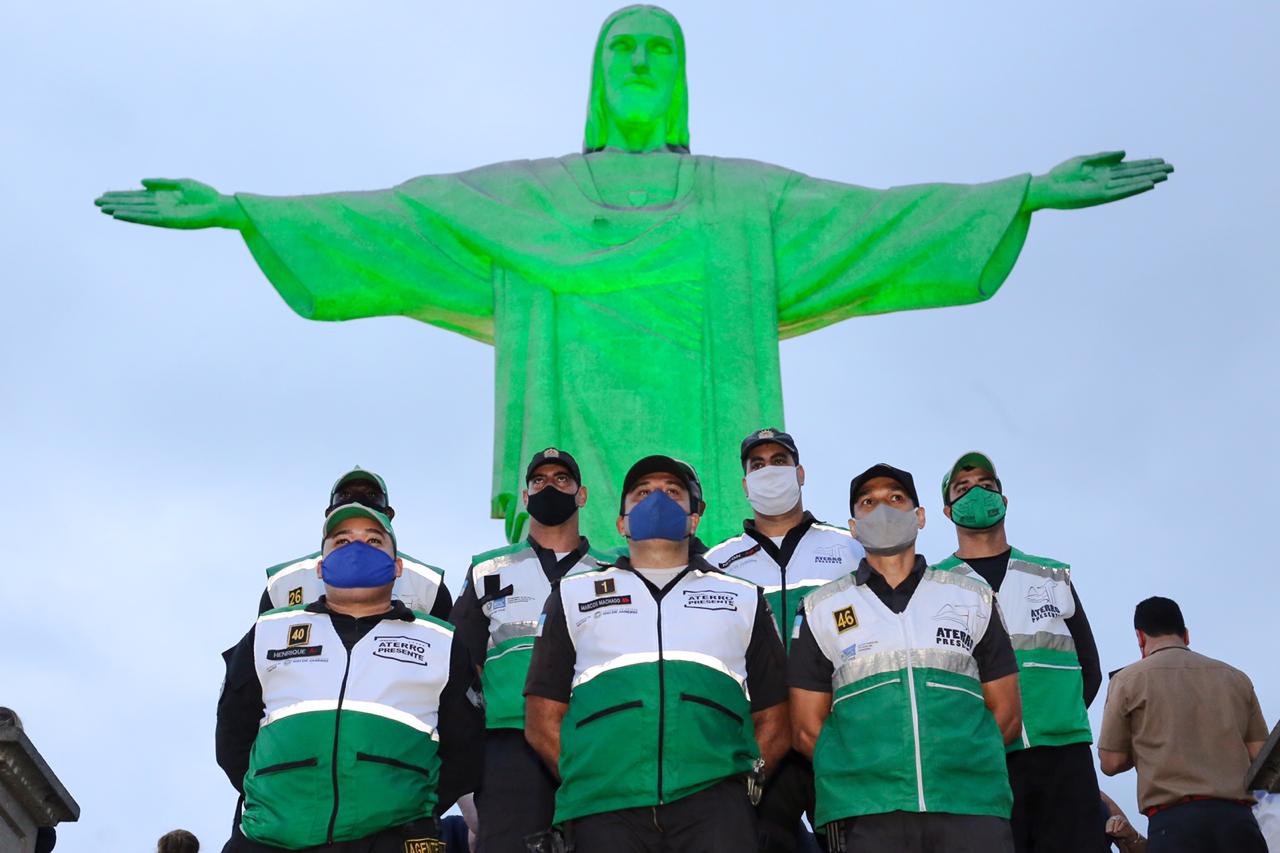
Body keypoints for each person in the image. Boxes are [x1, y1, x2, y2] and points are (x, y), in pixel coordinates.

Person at [97, 6, 1173, 548]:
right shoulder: (529, 198)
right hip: (566, 494)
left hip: (709, 492)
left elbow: (875, 221)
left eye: (662, 50)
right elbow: (395, 217)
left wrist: (1020, 193)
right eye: (626, 51)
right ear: (599, 77)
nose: (643, 68)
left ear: (683, 76)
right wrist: (244, 208)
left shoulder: (741, 199)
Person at [523, 455, 790, 851]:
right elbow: (542, 717)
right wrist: (593, 776)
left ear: (693, 519)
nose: (657, 500)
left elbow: (776, 715)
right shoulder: (571, 595)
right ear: (621, 523)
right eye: (643, 493)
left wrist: (742, 782)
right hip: (604, 806)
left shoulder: (744, 597)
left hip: (716, 806)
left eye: (672, 492)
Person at [216, 503, 479, 852]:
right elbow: (232, 734)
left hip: (391, 840)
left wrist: (413, 809)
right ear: (321, 567)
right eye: (341, 542)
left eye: (373, 541)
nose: (356, 549)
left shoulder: (441, 642)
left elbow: (467, 750)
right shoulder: (269, 632)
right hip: (269, 839)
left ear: (398, 566)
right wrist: (273, 799)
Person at [789, 463, 1022, 853]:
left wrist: (958, 769)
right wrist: (864, 778)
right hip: (866, 813)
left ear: (920, 517)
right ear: (853, 526)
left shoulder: (972, 597)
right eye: (868, 502)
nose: (883, 509)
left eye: (896, 498)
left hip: (971, 806)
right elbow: (806, 730)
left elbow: (1009, 715)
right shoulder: (820, 608)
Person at [931, 452, 1106, 853]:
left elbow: (1089, 666)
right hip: (986, 759)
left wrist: (1059, 719)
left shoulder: (1049, 574)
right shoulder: (936, 584)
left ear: (1004, 501)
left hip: (1065, 757)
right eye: (963, 489)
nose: (976, 493)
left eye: (987, 486)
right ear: (947, 510)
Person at [705, 427, 865, 851]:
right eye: (757, 465)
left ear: (800, 472)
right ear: (744, 483)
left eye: (779, 461)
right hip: (759, 738)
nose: (769, 471)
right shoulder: (715, 563)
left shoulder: (852, 548)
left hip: (838, 733)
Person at [448, 448, 610, 852]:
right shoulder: (488, 570)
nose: (549, 486)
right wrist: (466, 778)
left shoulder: (614, 572)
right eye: (538, 480)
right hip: (508, 745)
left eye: (561, 479)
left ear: (582, 494)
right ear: (525, 497)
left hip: (597, 739)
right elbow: (458, 667)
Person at [1098, 596, 1270, 852]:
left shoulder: (1127, 681)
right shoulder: (1236, 679)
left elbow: (1110, 763)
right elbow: (1262, 758)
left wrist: (1150, 741)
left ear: (1140, 638)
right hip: (1239, 824)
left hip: (1174, 825)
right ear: (1186, 635)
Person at [259, 467, 451, 618]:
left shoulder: (428, 585)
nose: (357, 501)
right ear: (328, 515)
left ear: (389, 515)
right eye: (344, 496)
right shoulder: (282, 584)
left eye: (372, 495)